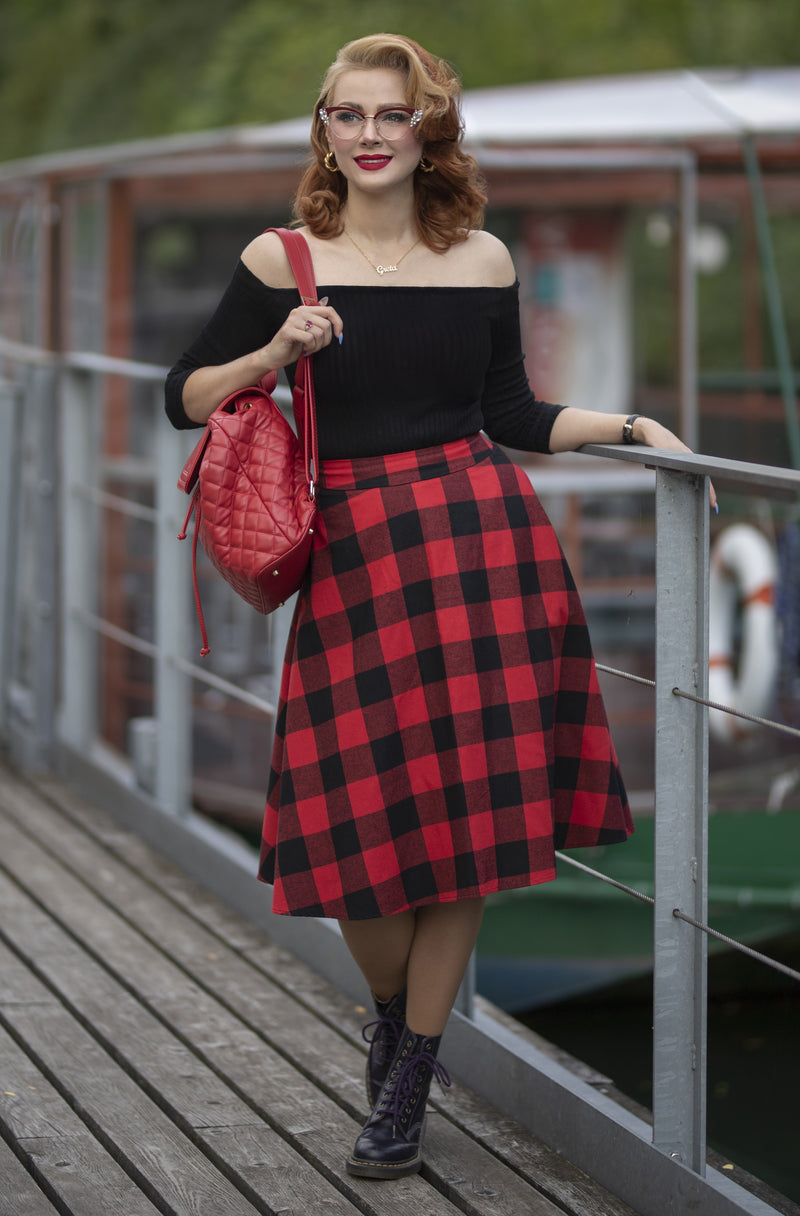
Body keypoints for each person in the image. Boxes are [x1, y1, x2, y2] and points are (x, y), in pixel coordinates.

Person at [165, 32, 714, 1181]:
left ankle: (409, 1072)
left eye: (391, 116)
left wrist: (626, 429)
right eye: (347, 115)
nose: (369, 135)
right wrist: (274, 347)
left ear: (427, 132)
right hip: (357, 563)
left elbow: (512, 414)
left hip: (480, 549)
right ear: (323, 129)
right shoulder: (284, 258)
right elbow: (186, 397)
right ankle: (389, 1013)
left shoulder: (480, 260)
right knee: (353, 835)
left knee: (464, 837)